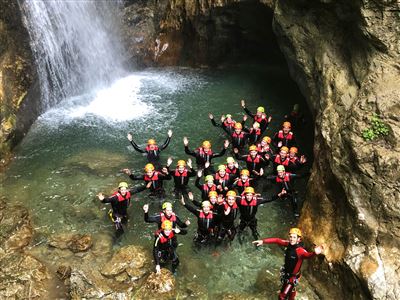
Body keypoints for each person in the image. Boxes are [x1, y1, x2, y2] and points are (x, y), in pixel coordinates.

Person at [252, 228, 323, 300]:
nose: (292, 239)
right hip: (286, 274)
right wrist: (263, 241)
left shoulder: (300, 251)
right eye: (291, 237)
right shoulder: (288, 244)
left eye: (294, 237)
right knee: (291, 293)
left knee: (281, 297)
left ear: (299, 239)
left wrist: (314, 253)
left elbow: (308, 255)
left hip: (292, 278)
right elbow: (277, 240)